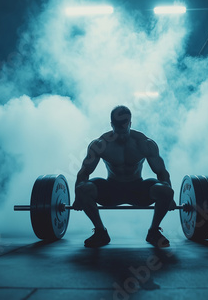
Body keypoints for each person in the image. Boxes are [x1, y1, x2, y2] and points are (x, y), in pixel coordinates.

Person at [72, 105, 175, 248]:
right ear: (111, 124)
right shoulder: (100, 145)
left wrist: (170, 199)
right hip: (111, 190)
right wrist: (78, 198)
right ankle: (100, 232)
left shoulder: (145, 144)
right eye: (117, 128)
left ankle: (153, 232)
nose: (121, 133)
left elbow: (162, 172)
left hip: (138, 190)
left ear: (130, 124)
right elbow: (84, 173)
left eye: (124, 127)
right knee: (83, 189)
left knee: (166, 191)